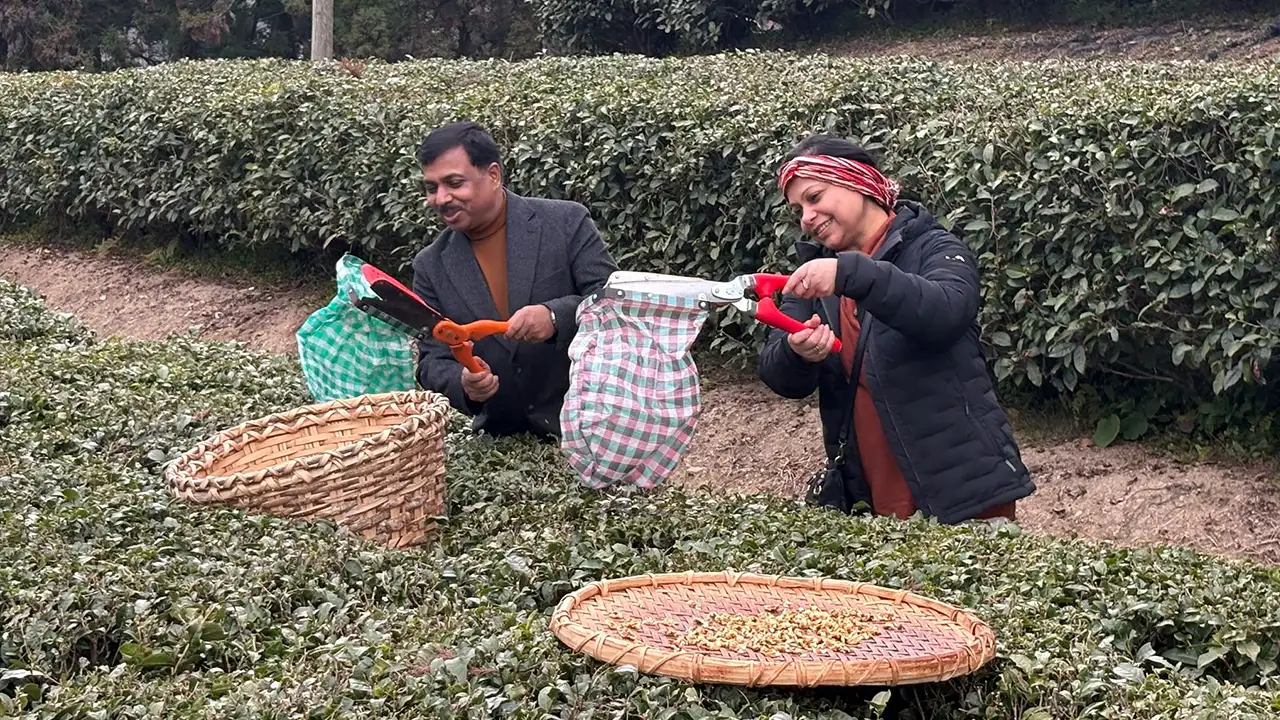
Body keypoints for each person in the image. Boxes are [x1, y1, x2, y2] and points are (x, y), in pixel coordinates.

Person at [758, 133, 1035, 525]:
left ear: (858, 181)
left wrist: (851, 274)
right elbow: (777, 372)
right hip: (867, 502)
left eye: (815, 197)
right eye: (797, 209)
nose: (805, 217)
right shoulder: (817, 275)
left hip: (962, 497)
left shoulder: (933, 248)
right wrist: (797, 353)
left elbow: (944, 312)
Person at [410, 121, 619, 439]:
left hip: (592, 427)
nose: (441, 198)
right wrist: (464, 383)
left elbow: (613, 302)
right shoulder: (431, 265)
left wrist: (554, 317)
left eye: (454, 183)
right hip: (502, 440)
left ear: (493, 175)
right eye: (431, 188)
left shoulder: (566, 223)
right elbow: (432, 360)